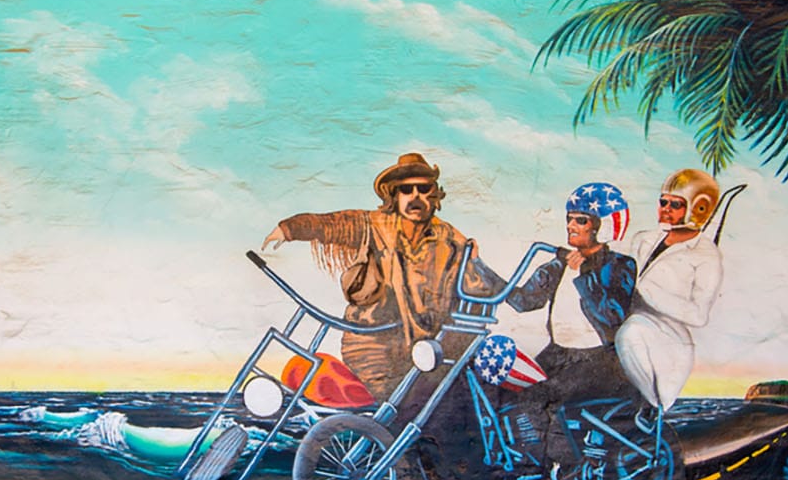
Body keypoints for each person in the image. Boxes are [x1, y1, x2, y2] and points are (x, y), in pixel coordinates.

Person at [262, 152, 506, 400]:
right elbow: (331, 224)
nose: (415, 197)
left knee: (439, 401)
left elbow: (484, 288)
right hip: (374, 346)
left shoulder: (449, 237)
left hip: (427, 350)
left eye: (423, 188)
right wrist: (288, 229)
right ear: (394, 195)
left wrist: (474, 261)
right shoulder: (373, 224)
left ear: (433, 194)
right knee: (393, 406)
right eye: (406, 190)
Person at [615, 168, 724, 417]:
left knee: (631, 333)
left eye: (675, 204)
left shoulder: (705, 256)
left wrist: (647, 291)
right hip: (623, 324)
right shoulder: (643, 239)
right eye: (663, 202)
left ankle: (654, 408)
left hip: (664, 341)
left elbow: (699, 315)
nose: (665, 209)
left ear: (698, 208)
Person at [507, 181, 637, 391]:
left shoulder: (621, 265)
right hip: (557, 354)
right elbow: (523, 301)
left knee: (540, 396)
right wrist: (476, 266)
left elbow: (612, 316)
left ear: (601, 228)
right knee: (511, 392)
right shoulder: (560, 264)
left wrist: (582, 272)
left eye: (581, 220)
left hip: (596, 358)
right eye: (569, 219)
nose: (570, 226)